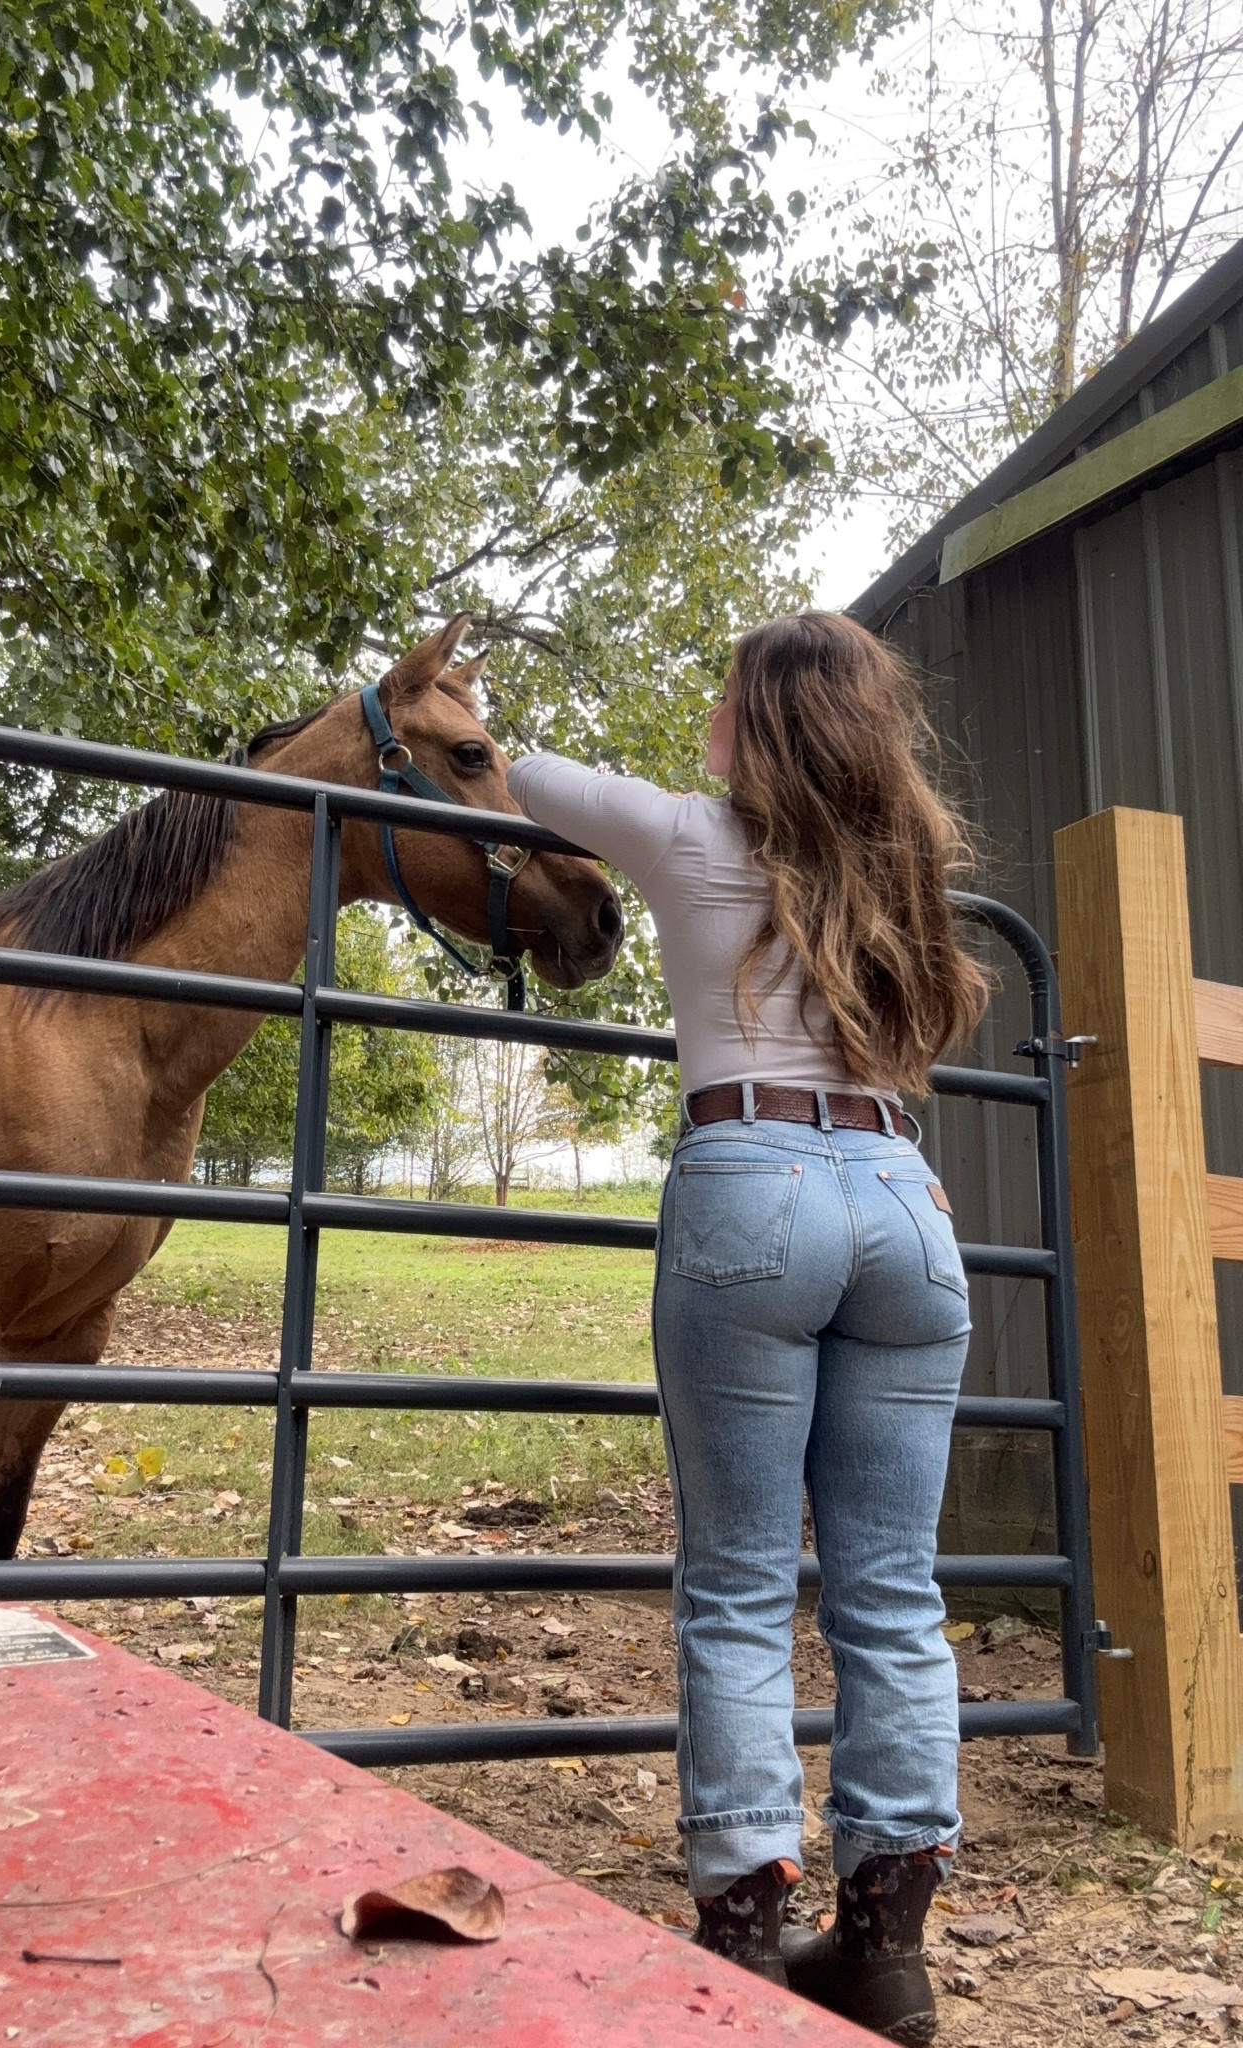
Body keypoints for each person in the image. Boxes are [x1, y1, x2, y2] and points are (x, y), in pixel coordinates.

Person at [506, 612, 988, 2043]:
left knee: (734, 1587)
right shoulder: (905, 869)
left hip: (750, 1187)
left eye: (725, 702)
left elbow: (522, 775)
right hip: (905, 1198)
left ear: (752, 725)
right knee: (893, 1595)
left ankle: (743, 1932)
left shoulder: (685, 836)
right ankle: (888, 1949)